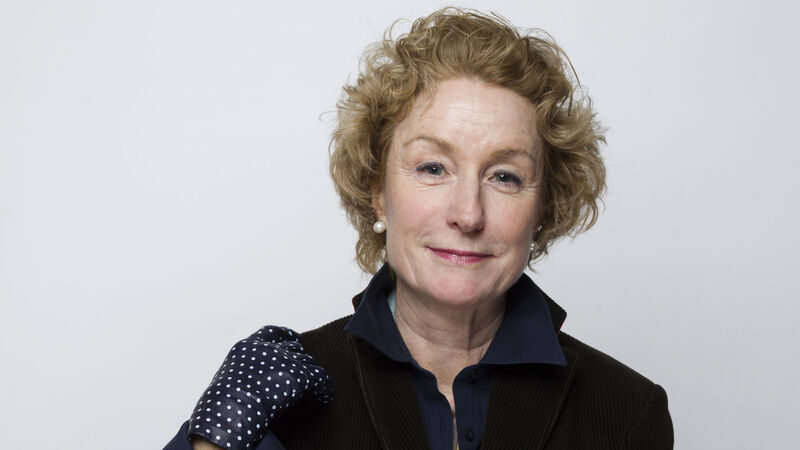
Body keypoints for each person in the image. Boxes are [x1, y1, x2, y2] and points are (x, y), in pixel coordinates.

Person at [165, 7, 673, 450]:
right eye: (433, 168)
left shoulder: (627, 411)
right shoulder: (280, 398)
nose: (468, 215)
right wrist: (212, 445)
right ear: (378, 192)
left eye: (504, 176)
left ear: (542, 209)